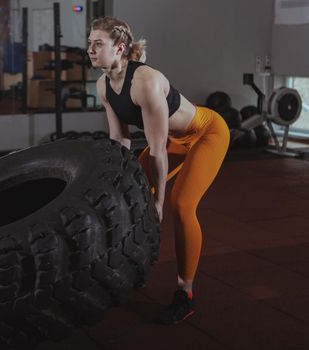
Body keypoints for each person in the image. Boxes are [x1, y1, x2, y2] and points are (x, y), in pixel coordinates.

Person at [87, 16, 229, 324]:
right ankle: (129, 268)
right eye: (89, 43)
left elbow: (158, 146)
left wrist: (159, 202)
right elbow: (120, 139)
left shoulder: (146, 82)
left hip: (207, 134)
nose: (90, 49)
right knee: (130, 197)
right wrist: (117, 184)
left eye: (98, 43)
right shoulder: (103, 85)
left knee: (180, 206)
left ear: (120, 48)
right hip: (174, 140)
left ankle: (185, 293)